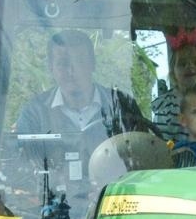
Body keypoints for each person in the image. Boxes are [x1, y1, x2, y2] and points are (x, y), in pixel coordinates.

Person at [13, 30, 151, 206]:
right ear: (51, 67)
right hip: (54, 208)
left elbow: (143, 162)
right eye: (63, 63)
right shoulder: (34, 114)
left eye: (79, 61)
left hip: (115, 205)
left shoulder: (122, 106)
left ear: (92, 64)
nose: (72, 71)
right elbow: (23, 171)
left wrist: (111, 188)